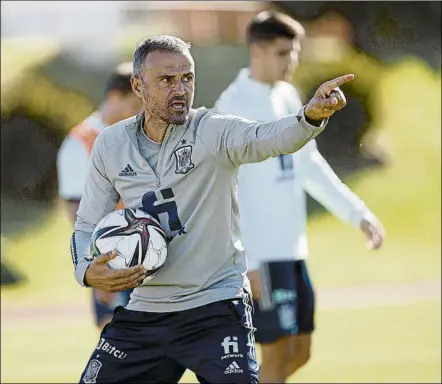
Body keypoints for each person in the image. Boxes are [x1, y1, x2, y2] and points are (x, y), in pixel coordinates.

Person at [71, 34, 353, 384]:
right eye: (166, 80)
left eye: (187, 78)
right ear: (137, 86)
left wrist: (309, 116)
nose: (180, 89)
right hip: (147, 309)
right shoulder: (110, 144)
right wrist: (86, 269)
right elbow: (86, 224)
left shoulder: (212, 130)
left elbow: (268, 137)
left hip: (216, 309)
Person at [214, 11, 385, 383]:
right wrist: (248, 263)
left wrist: (358, 213)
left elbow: (310, 168)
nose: (291, 61)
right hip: (261, 257)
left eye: (294, 52)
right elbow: (223, 194)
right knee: (274, 357)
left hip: (293, 251)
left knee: (300, 352)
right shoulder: (231, 108)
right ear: (256, 51)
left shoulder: (289, 96)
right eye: (281, 53)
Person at [57, 62, 142, 330]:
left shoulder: (137, 136)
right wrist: (97, 265)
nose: (140, 112)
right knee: (117, 345)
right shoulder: (81, 141)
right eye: (135, 104)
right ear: (116, 96)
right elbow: (77, 212)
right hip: (110, 260)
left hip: (147, 255)